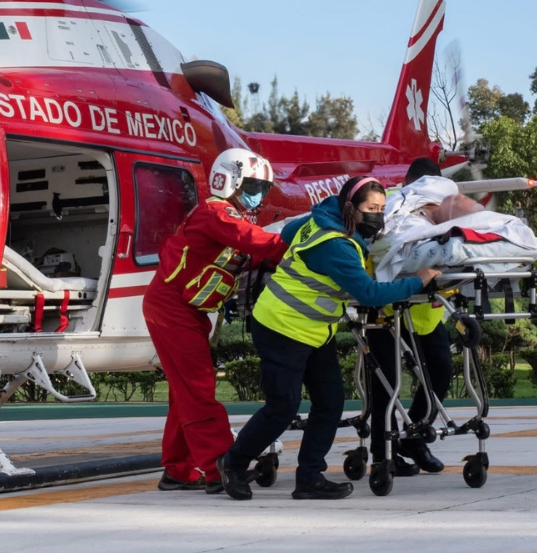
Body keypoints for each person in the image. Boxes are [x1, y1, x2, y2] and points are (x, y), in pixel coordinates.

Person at [218, 176, 441, 501]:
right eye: (371, 208)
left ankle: (310, 477)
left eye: (381, 208)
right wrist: (418, 281)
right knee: (283, 407)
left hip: (313, 330)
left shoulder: (317, 220)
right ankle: (233, 464)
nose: (378, 215)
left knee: (330, 402)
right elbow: (368, 293)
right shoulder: (336, 245)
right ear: (351, 207)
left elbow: (288, 234)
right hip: (281, 326)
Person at [143, 148, 288, 493]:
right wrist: (303, 245)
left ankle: (178, 470)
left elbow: (249, 252)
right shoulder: (216, 213)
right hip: (172, 308)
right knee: (198, 388)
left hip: (187, 310)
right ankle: (218, 466)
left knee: (185, 392)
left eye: (263, 188)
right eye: (252, 185)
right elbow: (257, 242)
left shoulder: (230, 217)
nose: (258, 194)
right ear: (229, 181)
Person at [368, 158, 455, 477]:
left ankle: (414, 437)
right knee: (386, 385)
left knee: (441, 372)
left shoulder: (445, 206)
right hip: (385, 312)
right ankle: (383, 455)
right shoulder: (392, 203)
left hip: (425, 314)